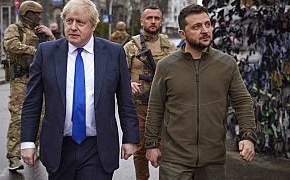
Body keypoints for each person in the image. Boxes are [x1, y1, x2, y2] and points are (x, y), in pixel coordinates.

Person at [20, 0, 139, 179]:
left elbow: (125, 100)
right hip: (59, 146)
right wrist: (27, 142)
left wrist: (130, 138)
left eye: (80, 22)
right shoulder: (46, 52)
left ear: (93, 25)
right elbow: (32, 102)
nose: (73, 27)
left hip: (98, 147)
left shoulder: (113, 53)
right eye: (69, 21)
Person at [145, 4, 257, 180]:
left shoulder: (226, 64)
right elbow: (155, 107)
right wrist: (151, 144)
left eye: (207, 24)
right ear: (182, 33)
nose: (205, 30)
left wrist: (248, 136)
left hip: (213, 161)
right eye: (196, 27)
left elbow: (243, 102)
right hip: (174, 161)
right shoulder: (166, 66)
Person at [123, 5, 176, 180]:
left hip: (164, 106)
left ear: (161, 21)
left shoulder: (168, 46)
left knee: (167, 148)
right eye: (149, 18)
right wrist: (129, 83)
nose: (153, 21)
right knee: (140, 148)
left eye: (156, 18)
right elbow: (119, 74)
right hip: (139, 106)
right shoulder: (131, 46)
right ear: (142, 21)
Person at [3, 0, 54, 171]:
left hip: (39, 79)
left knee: (40, 116)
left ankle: (34, 147)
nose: (39, 17)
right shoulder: (14, 29)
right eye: (35, 14)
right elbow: (11, 45)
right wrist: (36, 51)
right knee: (18, 118)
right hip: (21, 79)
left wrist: (50, 35)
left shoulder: (40, 31)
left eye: (40, 14)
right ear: (26, 14)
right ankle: (13, 157)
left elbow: (56, 49)